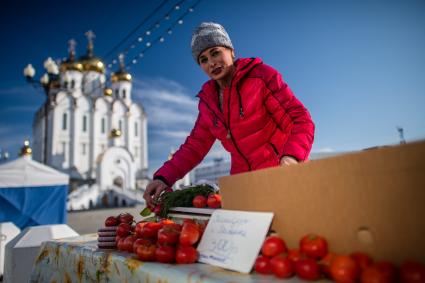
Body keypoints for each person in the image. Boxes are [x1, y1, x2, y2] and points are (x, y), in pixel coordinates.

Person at [143, 22, 314, 207]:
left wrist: (291, 157)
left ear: (230, 50)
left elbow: (300, 120)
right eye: (203, 59)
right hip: (244, 187)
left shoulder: (261, 77)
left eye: (215, 52)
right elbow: (195, 146)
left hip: (281, 177)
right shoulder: (208, 103)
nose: (212, 63)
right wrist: (163, 177)